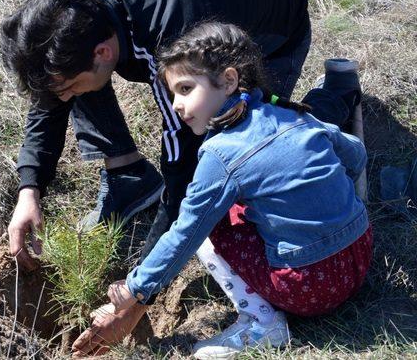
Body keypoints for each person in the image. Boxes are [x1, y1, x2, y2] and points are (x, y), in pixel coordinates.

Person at [0, 0, 326, 355]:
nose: (60, 98)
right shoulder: (76, 9)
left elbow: (186, 174)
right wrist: (30, 189)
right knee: (70, 85)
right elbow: (52, 91)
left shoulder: (177, 48)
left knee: (227, 145)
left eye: (68, 84)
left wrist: (136, 294)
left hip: (272, 36)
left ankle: (329, 104)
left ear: (103, 52)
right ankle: (128, 176)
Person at [102, 22, 372, 359]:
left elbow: (185, 233)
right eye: (173, 94)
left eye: (186, 89)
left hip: (311, 289)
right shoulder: (294, 114)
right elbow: (355, 154)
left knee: (209, 225)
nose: (176, 105)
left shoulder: (221, 155)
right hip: (360, 256)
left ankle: (263, 324)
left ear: (229, 80)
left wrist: (135, 288)